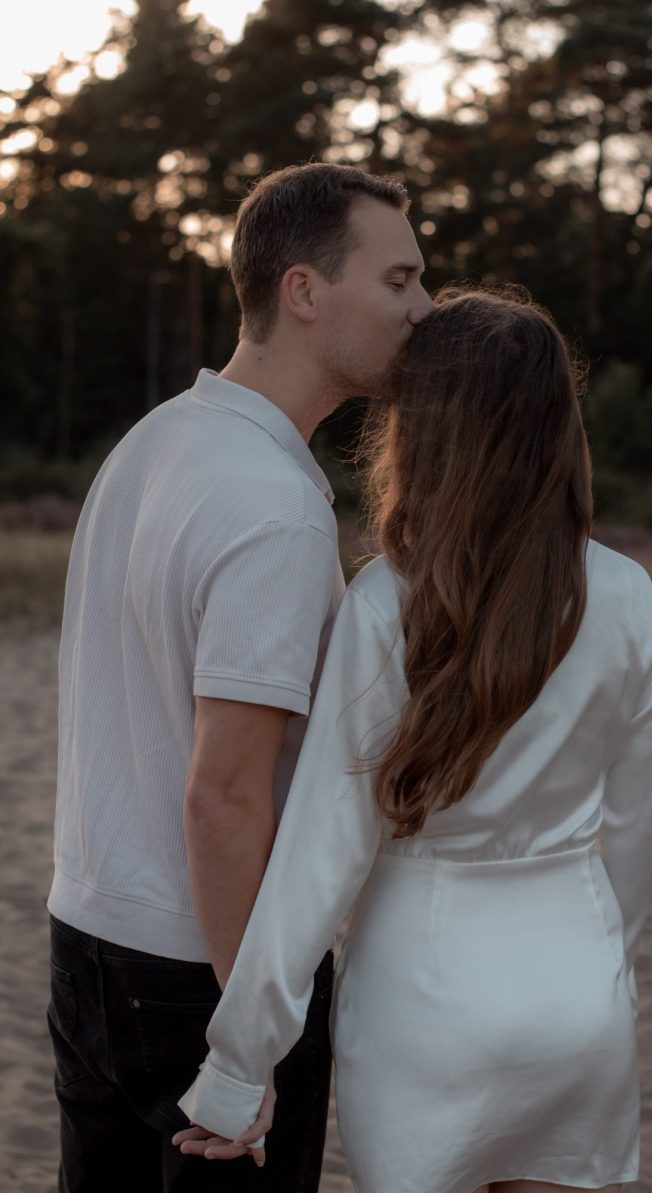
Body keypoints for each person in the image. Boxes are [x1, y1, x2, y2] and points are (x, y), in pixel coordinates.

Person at [173, 286, 652, 1193]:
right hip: (577, 989)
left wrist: (238, 1066)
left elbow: (319, 860)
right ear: (558, 426)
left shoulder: (385, 603)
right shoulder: (636, 598)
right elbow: (633, 837)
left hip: (422, 1000)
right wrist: (610, 979)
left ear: (424, 430)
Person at [46, 161, 433, 1193]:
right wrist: (248, 1031)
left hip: (88, 937)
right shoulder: (272, 502)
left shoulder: (153, 442)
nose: (424, 307)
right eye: (397, 279)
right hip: (204, 971)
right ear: (304, 291)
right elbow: (223, 794)